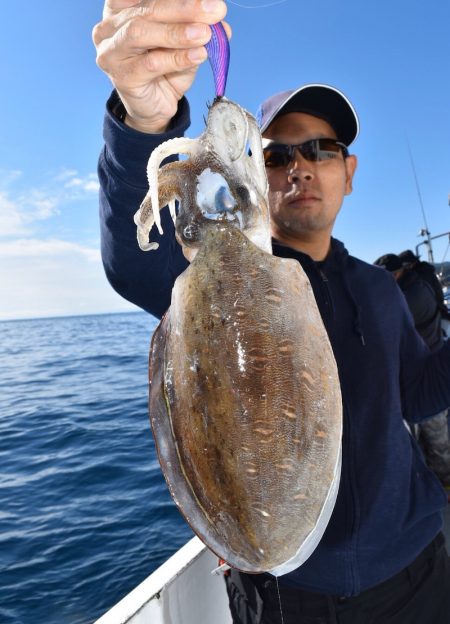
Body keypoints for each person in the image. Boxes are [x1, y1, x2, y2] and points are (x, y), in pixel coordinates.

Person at [93, 2, 450, 622]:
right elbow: (136, 261)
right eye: (279, 155)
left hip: (417, 569)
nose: (301, 167)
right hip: (288, 596)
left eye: (322, 148)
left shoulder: (379, 289)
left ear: (350, 170)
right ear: (255, 176)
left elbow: (416, 394)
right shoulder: (215, 273)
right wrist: (144, 118)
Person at [374, 253, 450, 491]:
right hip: (412, 375)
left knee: (436, 436)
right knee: (417, 437)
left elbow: (388, 328)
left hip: (426, 373)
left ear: (399, 272)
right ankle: (428, 481)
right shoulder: (406, 290)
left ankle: (445, 483)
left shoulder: (413, 295)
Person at [399, 249, 450, 322]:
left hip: (432, 316)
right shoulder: (426, 271)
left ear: (410, 264)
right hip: (438, 311)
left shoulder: (418, 277)